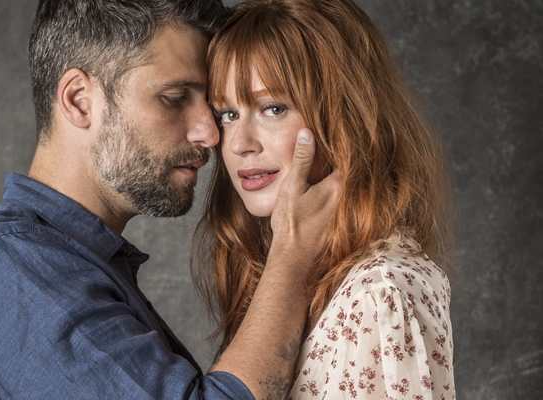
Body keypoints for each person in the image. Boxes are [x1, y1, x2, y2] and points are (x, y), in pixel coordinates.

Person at [0, 0, 341, 399]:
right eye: (175, 99)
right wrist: (292, 253)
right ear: (79, 101)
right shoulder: (10, 270)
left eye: (213, 109)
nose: (210, 135)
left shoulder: (80, 262)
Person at [194, 0, 455, 398]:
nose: (240, 145)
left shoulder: (378, 293)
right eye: (227, 114)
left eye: (272, 108)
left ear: (345, 114)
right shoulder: (307, 275)